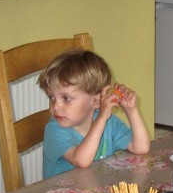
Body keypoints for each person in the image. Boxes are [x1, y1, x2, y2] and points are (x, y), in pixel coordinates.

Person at [37, 49, 150, 178]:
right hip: (61, 191)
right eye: (51, 97)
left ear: (96, 101)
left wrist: (131, 111)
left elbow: (141, 147)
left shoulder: (109, 122)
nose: (56, 106)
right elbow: (81, 160)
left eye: (66, 98)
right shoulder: (54, 129)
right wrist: (101, 118)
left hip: (97, 188)